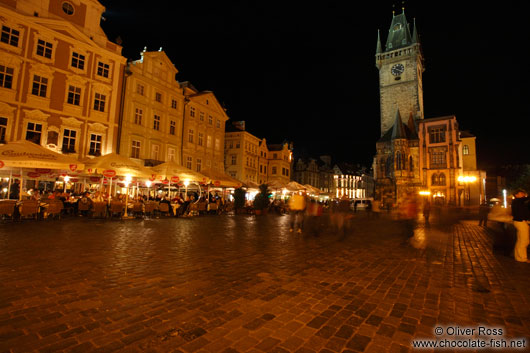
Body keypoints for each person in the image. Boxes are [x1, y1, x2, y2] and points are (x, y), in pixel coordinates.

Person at [511, 189, 530, 263]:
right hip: (520, 222)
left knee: (521, 240)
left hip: (520, 222)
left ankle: (518, 257)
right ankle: (522, 258)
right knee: (524, 241)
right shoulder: (517, 201)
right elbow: (526, 199)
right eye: (521, 193)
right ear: (516, 195)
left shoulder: (518, 202)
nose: (523, 194)